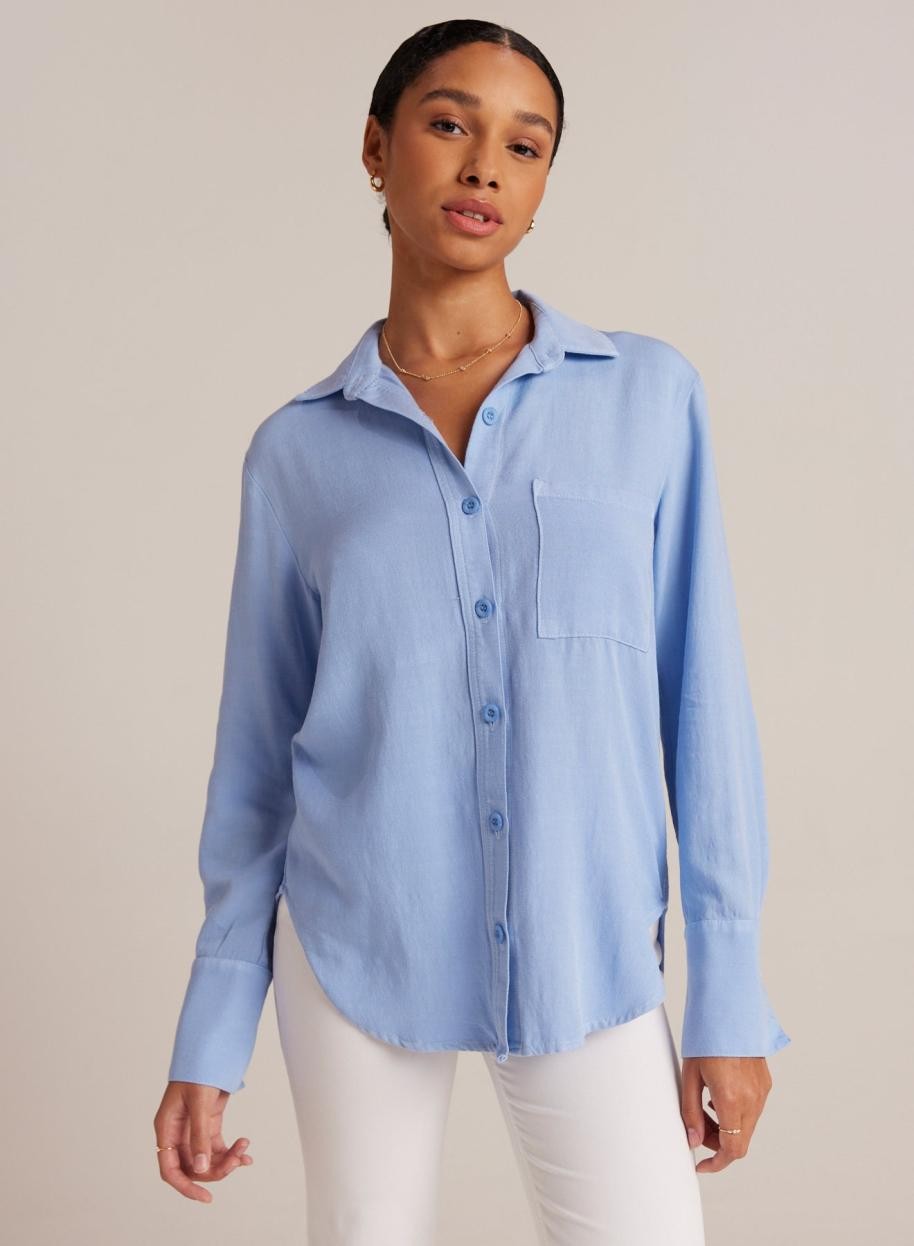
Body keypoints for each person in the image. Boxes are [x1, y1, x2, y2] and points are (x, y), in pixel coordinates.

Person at [153, 19, 790, 1243]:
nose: (483, 165)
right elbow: (254, 763)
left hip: (584, 943)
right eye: (448, 124)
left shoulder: (647, 399)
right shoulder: (296, 452)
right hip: (351, 937)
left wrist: (727, 997)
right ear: (375, 150)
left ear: (543, 185)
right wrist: (211, 1028)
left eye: (524, 144)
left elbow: (703, 702)